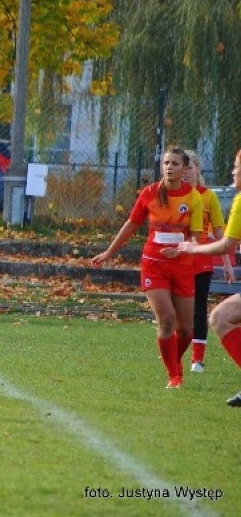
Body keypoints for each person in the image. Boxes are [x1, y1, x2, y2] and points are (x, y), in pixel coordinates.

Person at [92, 147, 203, 389]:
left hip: (183, 265)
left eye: (175, 163)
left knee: (185, 330)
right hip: (154, 264)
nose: (169, 167)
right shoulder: (149, 194)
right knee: (166, 320)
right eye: (166, 163)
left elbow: (195, 239)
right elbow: (131, 225)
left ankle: (175, 361)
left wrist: (181, 249)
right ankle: (174, 375)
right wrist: (109, 252)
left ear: (185, 169)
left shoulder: (193, 198)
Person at [173, 149, 241, 406]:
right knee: (220, 316)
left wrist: (194, 248)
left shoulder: (218, 198)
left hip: (198, 264)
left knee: (215, 315)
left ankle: (196, 358)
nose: (233, 172)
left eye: (237, 167)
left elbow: (225, 244)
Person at [184, 150, 233, 373]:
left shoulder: (208, 196)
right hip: (177, 259)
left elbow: (220, 233)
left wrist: (226, 262)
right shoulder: (172, 195)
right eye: (180, 166)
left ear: (197, 169)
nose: (184, 172)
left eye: (188, 167)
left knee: (199, 307)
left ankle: (197, 359)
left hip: (201, 258)